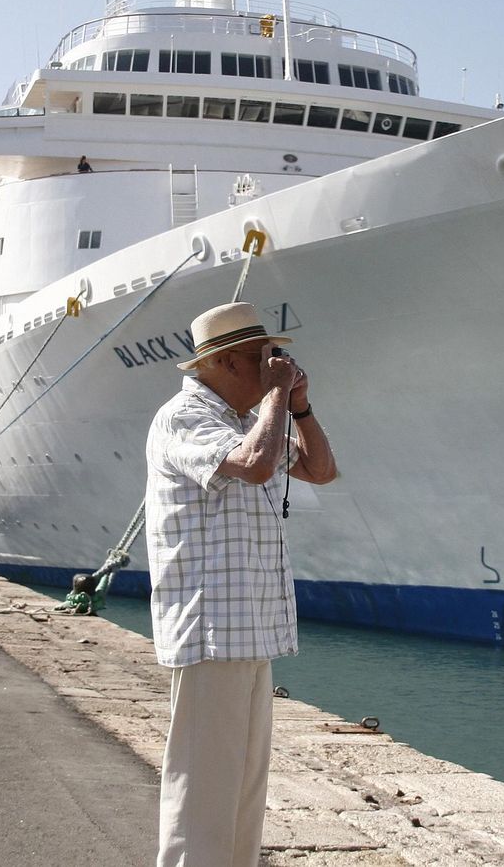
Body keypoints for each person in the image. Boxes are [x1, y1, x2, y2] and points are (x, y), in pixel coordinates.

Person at [144, 302, 337, 867]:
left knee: (244, 790)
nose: (279, 365)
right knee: (203, 786)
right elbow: (255, 465)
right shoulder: (185, 416)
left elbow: (321, 469)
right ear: (227, 362)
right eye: (266, 358)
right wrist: (279, 396)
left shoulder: (245, 421)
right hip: (211, 630)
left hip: (249, 629)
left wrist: (299, 406)